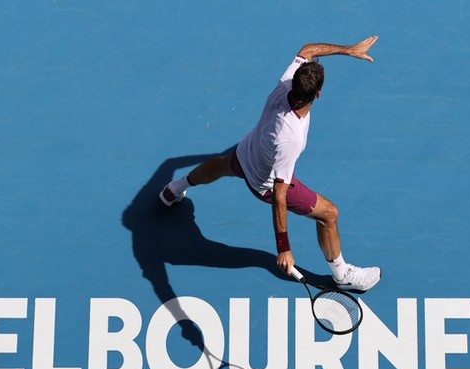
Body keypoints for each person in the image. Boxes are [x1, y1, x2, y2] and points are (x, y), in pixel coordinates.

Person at [159, 36, 382, 293]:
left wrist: (349, 50)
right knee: (329, 215)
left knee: (221, 166)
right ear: (318, 94)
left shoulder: (285, 83)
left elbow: (308, 50)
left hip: (248, 152)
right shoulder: (291, 138)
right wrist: (284, 247)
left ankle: (174, 189)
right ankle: (342, 274)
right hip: (265, 183)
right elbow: (279, 194)